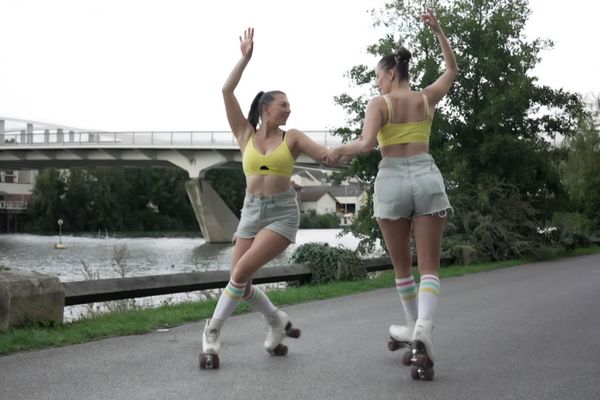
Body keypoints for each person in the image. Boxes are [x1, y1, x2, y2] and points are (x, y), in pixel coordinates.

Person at [326, 10, 458, 380]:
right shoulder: (425, 99)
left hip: (392, 182)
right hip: (427, 175)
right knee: (429, 265)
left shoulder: (378, 104)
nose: (377, 82)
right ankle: (423, 332)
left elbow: (367, 144)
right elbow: (452, 70)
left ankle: (416, 330)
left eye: (377, 76)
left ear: (389, 74)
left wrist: (340, 150)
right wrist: (440, 32)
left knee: (403, 267)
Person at [199, 27, 331, 369]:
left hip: (282, 214)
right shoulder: (244, 133)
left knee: (241, 271)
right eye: (283, 104)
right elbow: (226, 90)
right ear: (266, 108)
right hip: (250, 211)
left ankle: (212, 332)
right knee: (239, 284)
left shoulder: (294, 137)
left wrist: (359, 146)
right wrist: (244, 58)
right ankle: (276, 321)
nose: (289, 109)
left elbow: (327, 156)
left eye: (289, 106)